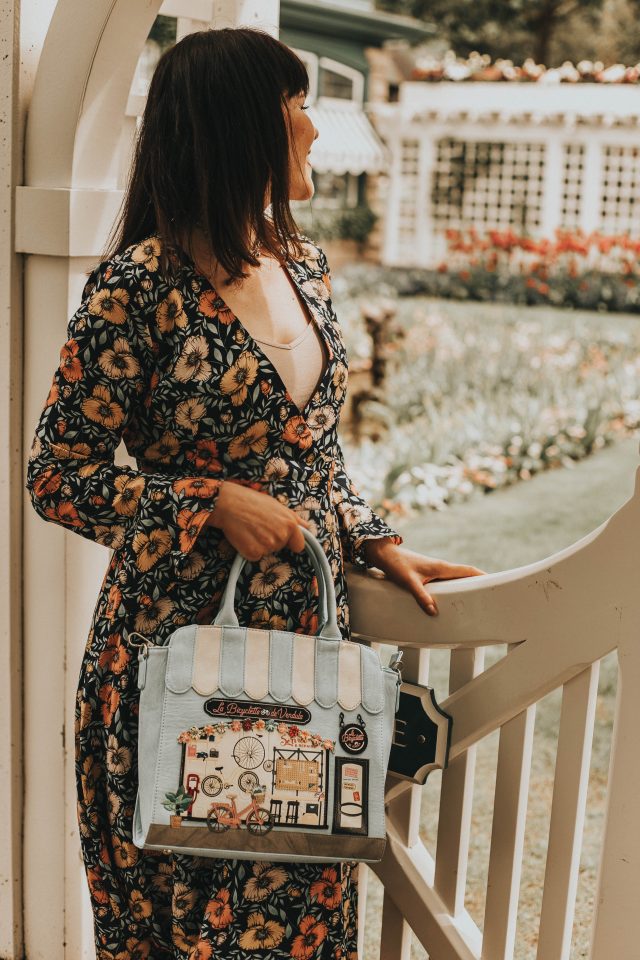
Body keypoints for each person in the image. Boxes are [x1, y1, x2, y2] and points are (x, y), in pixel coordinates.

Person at [25, 26, 484, 960]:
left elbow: (310, 452)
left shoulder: (301, 264)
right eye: (297, 107)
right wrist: (206, 503)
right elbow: (57, 477)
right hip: (173, 661)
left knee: (297, 919)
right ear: (244, 125)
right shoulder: (136, 288)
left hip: (304, 666)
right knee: (179, 931)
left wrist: (366, 535)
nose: (313, 130)